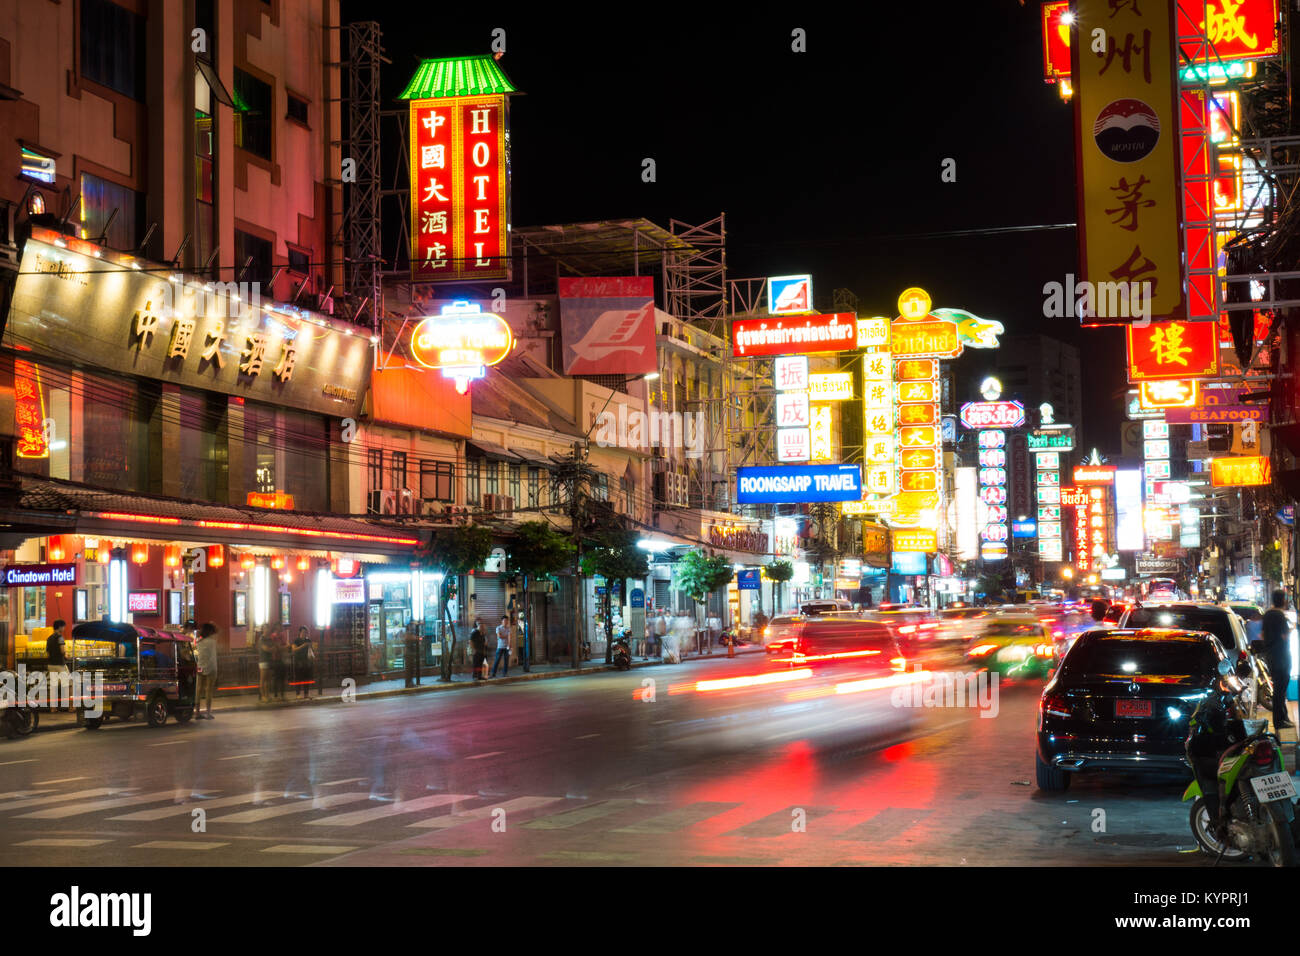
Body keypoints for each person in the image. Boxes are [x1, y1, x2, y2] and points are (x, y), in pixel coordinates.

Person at [1261, 589, 1295, 729]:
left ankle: (1283, 718)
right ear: (1282, 600)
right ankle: (1279, 721)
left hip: (1271, 656)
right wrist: (1292, 628)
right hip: (1281, 656)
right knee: (1281, 689)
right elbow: (1284, 636)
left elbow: (1263, 634)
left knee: (1279, 689)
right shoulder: (1279, 616)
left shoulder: (1268, 614)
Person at [194, 622, 218, 719]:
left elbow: (195, 647)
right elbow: (217, 632)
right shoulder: (212, 641)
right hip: (211, 667)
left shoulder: (198, 641)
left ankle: (197, 713)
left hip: (200, 666)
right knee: (209, 690)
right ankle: (208, 713)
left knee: (198, 689)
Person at [46, 619, 68, 711]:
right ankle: (69, 706)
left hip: (51, 664)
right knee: (67, 684)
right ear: (60, 627)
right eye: (63, 626)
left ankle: (53, 708)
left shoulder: (49, 638)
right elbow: (62, 650)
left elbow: (47, 652)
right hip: (60, 664)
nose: (64, 628)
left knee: (53, 686)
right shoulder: (60, 637)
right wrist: (66, 655)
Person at [291, 626, 315, 698]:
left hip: (307, 662)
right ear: (300, 632)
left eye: (305, 632)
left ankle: (306, 693)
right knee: (298, 678)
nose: (304, 633)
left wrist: (313, 646)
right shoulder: (296, 641)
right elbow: (294, 649)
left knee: (306, 678)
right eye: (303, 632)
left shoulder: (308, 641)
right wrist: (303, 645)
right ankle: (298, 694)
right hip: (298, 662)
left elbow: (311, 650)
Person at [270, 628, 288, 701]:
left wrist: (284, 647)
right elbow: (278, 647)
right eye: (278, 628)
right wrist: (285, 647)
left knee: (282, 678)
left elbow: (285, 646)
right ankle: (276, 695)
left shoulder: (282, 636)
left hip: (282, 659)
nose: (279, 630)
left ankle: (282, 694)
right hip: (275, 659)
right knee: (276, 678)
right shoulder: (273, 636)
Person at [257, 629, 274, 702]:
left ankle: (267, 695)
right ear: (263, 630)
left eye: (268, 629)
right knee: (263, 679)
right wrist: (271, 649)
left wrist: (271, 649)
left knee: (268, 680)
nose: (267, 631)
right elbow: (265, 649)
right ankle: (263, 696)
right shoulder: (261, 639)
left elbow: (274, 647)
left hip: (269, 660)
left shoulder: (269, 639)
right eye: (265, 629)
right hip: (263, 661)